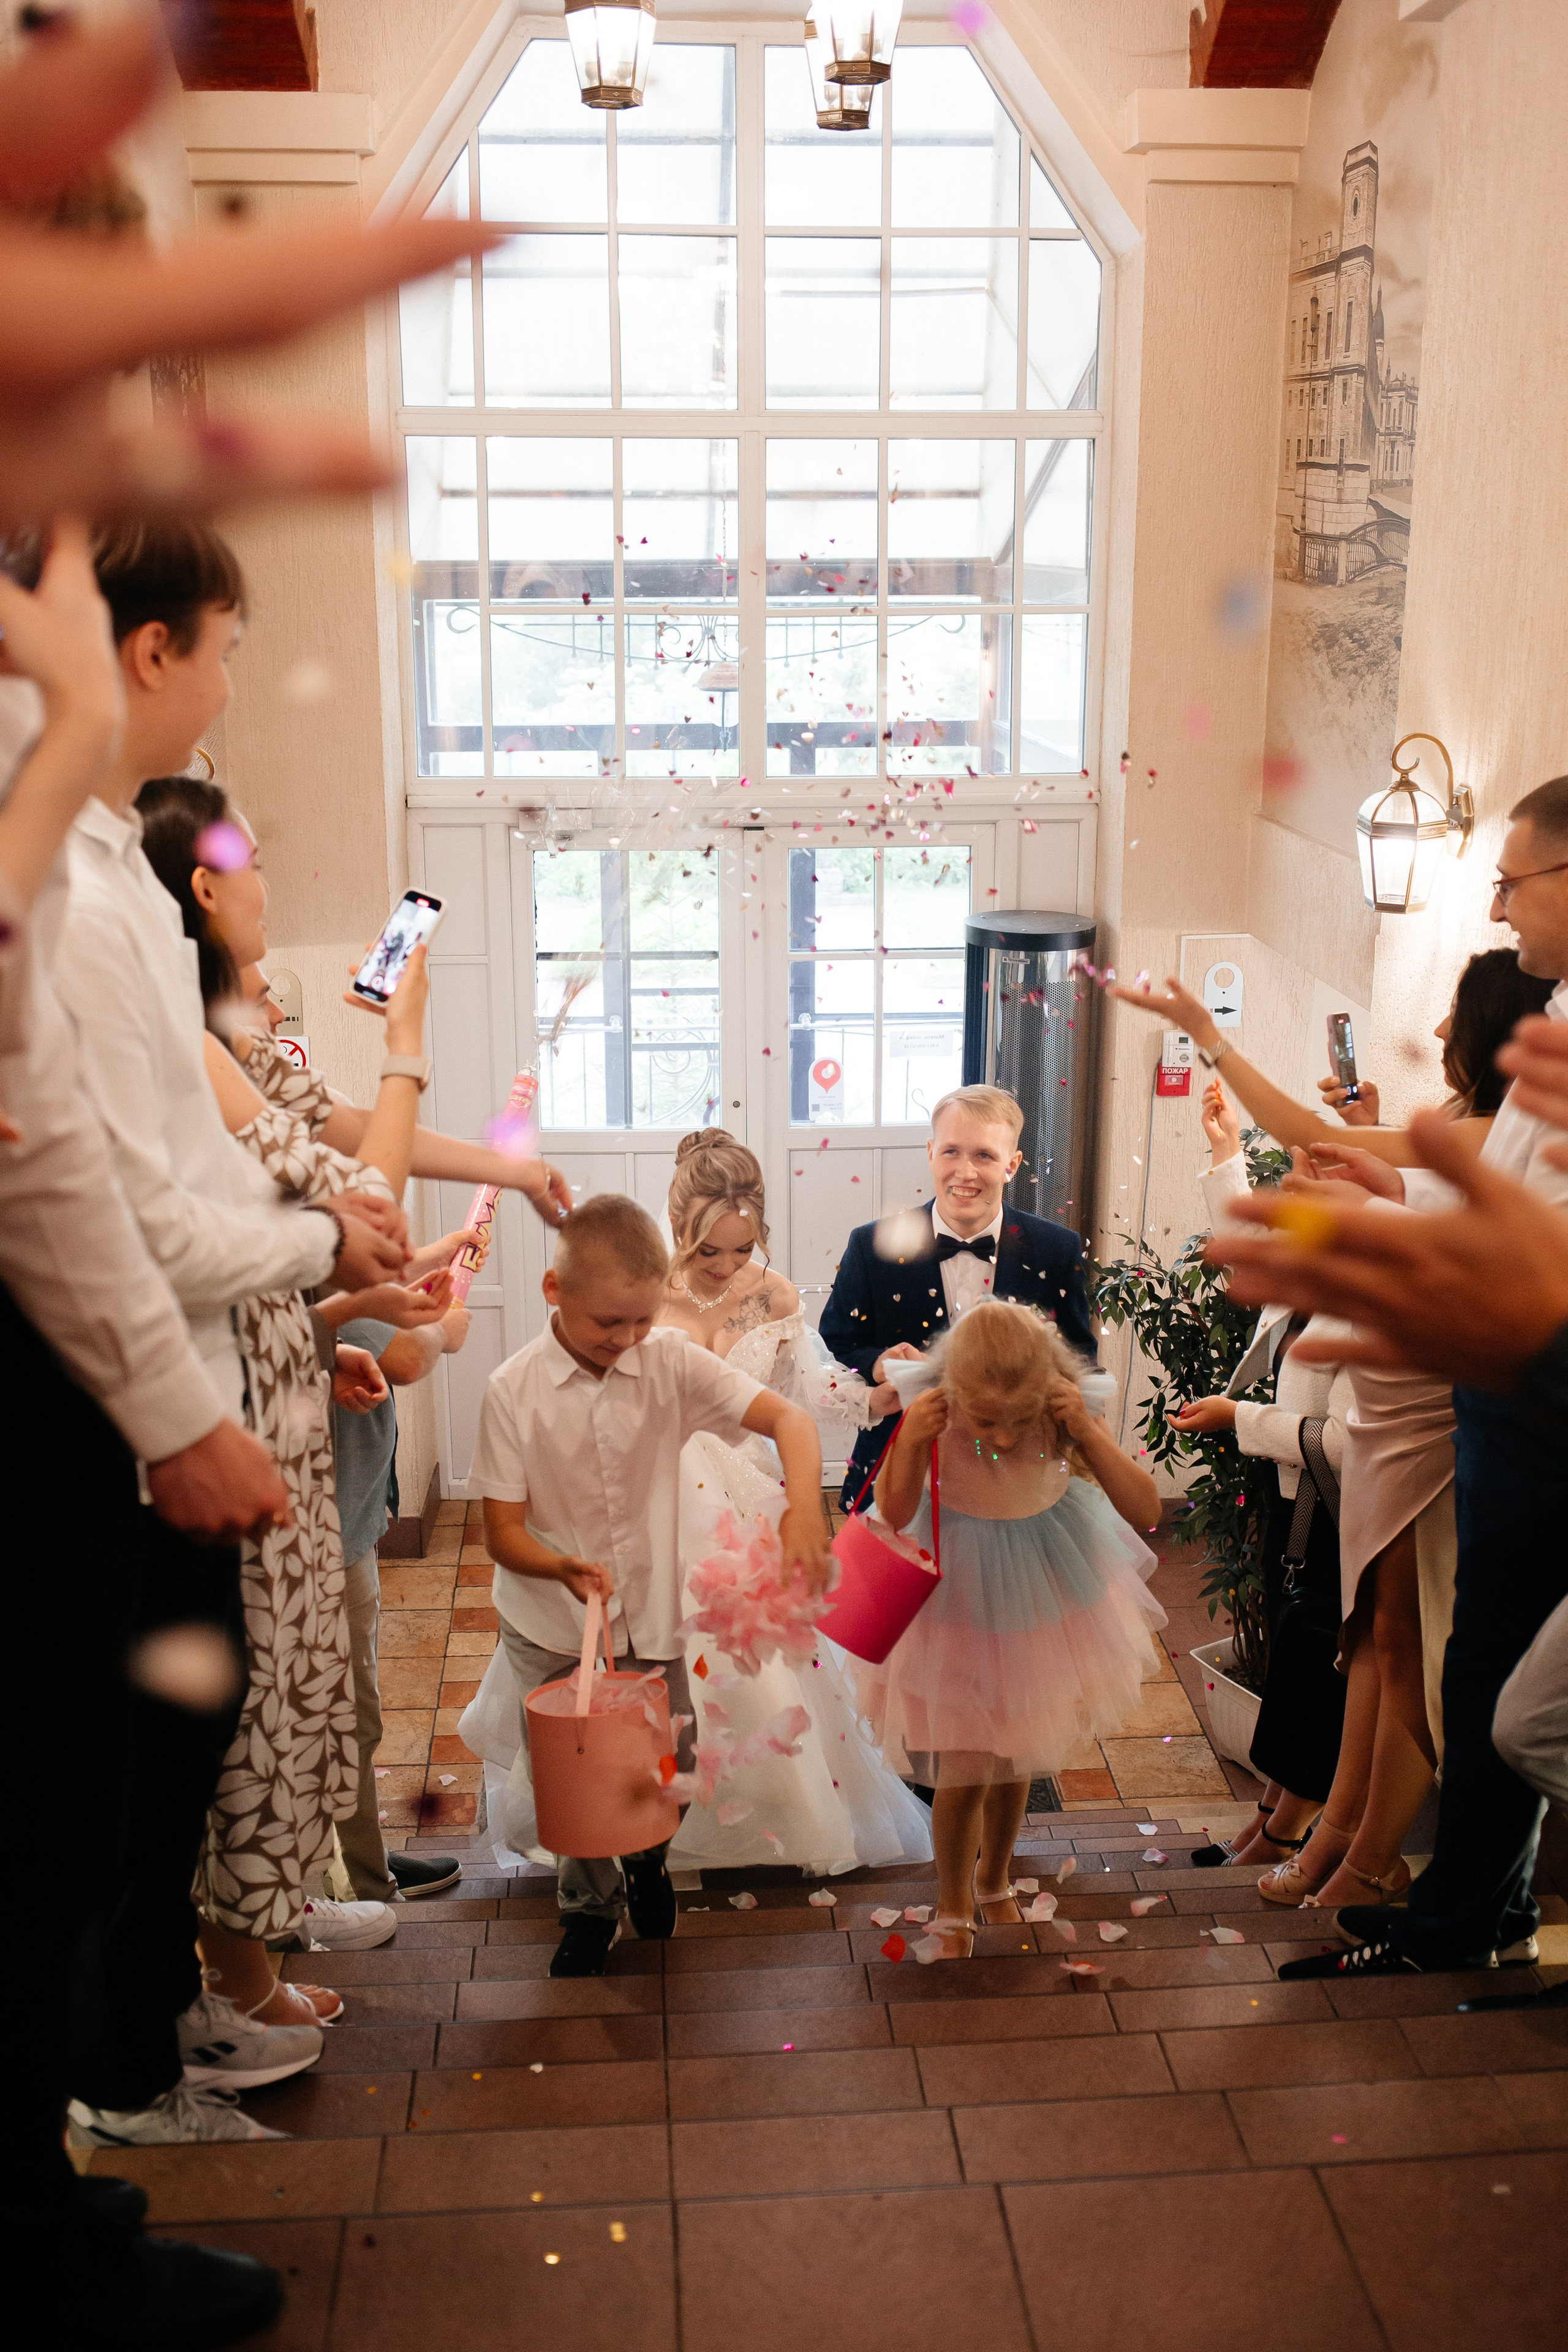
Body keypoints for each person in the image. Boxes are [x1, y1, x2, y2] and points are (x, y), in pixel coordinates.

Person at [1122, 950, 1553, 1916]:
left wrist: (1210, 1031)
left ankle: (1365, 1852)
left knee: (1401, 1643)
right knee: (1372, 1639)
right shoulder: (1461, 1130)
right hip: (1387, 1401)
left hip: (1422, 1411)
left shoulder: (1500, 1139)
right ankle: (1338, 1833)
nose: (1439, 1033)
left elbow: (1344, 1166)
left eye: (1455, 1016)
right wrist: (1377, 1173)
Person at [1236, 774, 1568, 1981]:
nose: (1496, 902)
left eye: (1512, 878)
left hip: (1527, 1395)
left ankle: (1455, 1915)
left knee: (1478, 1672)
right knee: (1465, 1662)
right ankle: (1468, 1908)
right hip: (1490, 1387)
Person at [466, 1193, 833, 1976]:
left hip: (655, 1618)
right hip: (551, 1623)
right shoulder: (511, 1389)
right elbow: (500, 1532)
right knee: (580, 1778)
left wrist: (806, 1508)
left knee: (673, 1766)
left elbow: (790, 1423)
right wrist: (556, 1565)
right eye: (609, 1325)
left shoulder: (666, 1361)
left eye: (640, 1322)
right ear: (553, 1291)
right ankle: (588, 1912)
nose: (627, 1341)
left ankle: (648, 1860)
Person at [658, 1132, 932, 1872]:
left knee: (760, 1662)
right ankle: (660, 1822)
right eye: (708, 1252)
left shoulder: (774, 1296)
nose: (726, 1268)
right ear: (676, 1223)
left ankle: (775, 1813)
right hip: (661, 1495)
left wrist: (876, 1392)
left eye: (742, 1252)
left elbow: (804, 1387)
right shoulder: (644, 1288)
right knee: (665, 1658)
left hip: (748, 1493)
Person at [858, 1300, 1163, 1958]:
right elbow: (894, 1510)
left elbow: (1143, 1507)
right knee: (964, 1763)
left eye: (1013, 1420)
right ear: (955, 1391)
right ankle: (953, 1898)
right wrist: (911, 1439)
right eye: (984, 1419)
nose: (998, 1437)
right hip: (954, 1609)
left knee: (1019, 1749)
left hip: (1041, 1598)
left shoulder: (1064, 1412)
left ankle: (995, 1879)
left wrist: (1087, 1431)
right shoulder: (932, 1412)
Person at [820, 1083, 1097, 1508]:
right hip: (901, 1469)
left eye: (984, 1155)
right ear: (930, 1152)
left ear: (1013, 1164)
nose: (965, 1172)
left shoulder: (1056, 1250)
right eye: (951, 1151)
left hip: (1018, 1472)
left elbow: (1078, 1359)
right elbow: (835, 1344)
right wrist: (877, 1364)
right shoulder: (871, 1245)